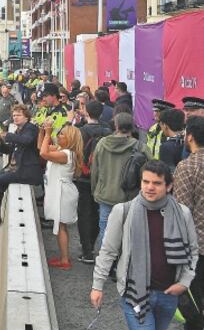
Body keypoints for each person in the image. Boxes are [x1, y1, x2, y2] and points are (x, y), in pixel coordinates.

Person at [90, 160, 198, 330]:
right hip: (134, 294)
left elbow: (193, 251)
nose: (150, 188)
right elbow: (108, 251)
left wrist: (184, 282)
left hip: (169, 294)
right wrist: (98, 285)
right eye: (145, 182)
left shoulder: (182, 213)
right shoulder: (123, 211)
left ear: (169, 186)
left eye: (157, 183)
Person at [169, 116, 204, 330]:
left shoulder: (188, 166)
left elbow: (182, 210)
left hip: (197, 245)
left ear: (190, 136)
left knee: (194, 295)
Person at [91, 113, 147, 252]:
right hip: (129, 197)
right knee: (127, 231)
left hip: (105, 194)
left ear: (116, 126)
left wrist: (95, 191)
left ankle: (105, 262)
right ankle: (121, 262)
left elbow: (95, 171)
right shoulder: (141, 147)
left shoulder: (102, 143)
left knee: (105, 228)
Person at [40, 123, 83, 269]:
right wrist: (42, 132)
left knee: (61, 225)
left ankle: (65, 260)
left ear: (70, 138)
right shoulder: (62, 150)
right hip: (60, 191)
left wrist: (47, 134)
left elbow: (43, 154)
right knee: (59, 225)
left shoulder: (65, 154)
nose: (58, 136)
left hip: (63, 193)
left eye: (62, 134)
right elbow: (41, 147)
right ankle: (63, 258)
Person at [77, 100, 112, 264]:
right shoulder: (108, 131)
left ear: (87, 112)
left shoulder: (81, 131)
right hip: (102, 177)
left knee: (84, 212)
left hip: (83, 177)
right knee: (98, 211)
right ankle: (93, 242)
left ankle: (87, 250)